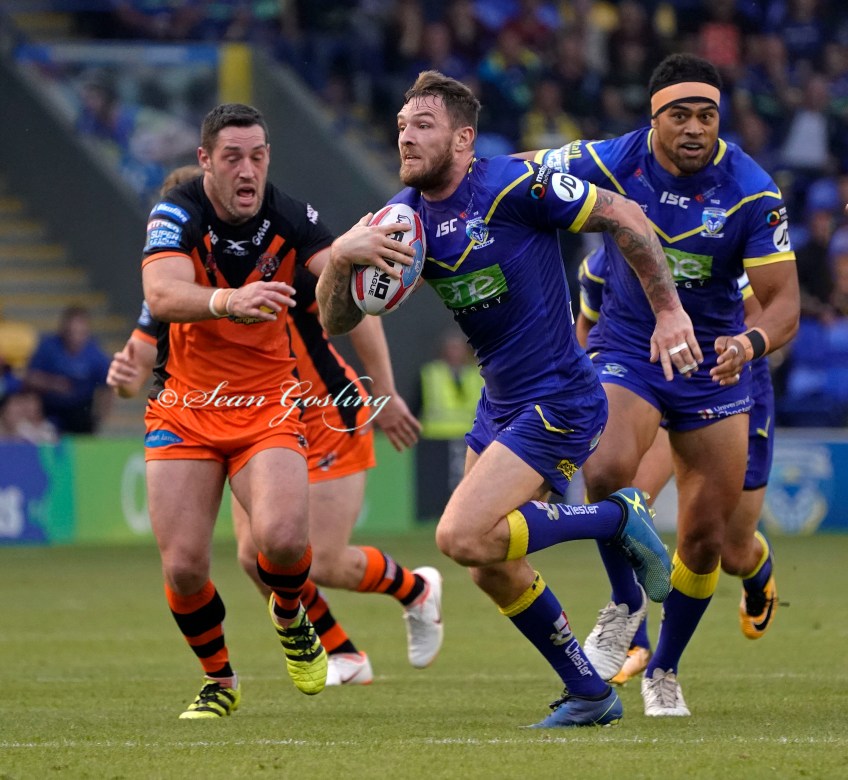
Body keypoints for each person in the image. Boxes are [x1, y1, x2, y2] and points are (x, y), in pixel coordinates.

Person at [316, 70, 699, 728]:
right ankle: (589, 694)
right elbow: (336, 320)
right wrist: (343, 259)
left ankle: (615, 518)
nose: (406, 137)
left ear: (464, 139)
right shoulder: (403, 220)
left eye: (424, 126)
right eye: (402, 126)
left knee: (459, 535)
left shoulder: (516, 186)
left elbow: (625, 215)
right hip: (501, 406)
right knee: (490, 564)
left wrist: (668, 311)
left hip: (561, 395)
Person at [138, 103, 437, 718]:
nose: (247, 170)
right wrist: (228, 300)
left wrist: (353, 259)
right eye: (232, 158)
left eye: (257, 156)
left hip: (271, 403)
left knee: (280, 543)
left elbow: (346, 303)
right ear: (205, 161)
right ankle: (220, 682)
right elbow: (160, 296)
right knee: (186, 567)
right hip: (187, 407)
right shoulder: (176, 213)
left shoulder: (294, 219)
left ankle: (296, 615)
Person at [525, 53, 799, 715]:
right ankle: (625, 607)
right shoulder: (613, 160)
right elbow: (522, 172)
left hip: (716, 362)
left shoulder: (751, 191)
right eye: (680, 115)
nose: (695, 128)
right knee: (608, 471)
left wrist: (749, 343)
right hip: (632, 349)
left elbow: (784, 301)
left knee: (710, 540)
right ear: (654, 119)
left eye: (707, 115)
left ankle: (664, 669)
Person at [110, 277, 441, 688]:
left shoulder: (278, 259)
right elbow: (136, 367)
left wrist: (386, 392)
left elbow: (360, 311)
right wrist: (123, 379)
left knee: (321, 560)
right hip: (251, 421)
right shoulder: (174, 282)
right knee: (255, 559)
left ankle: (416, 589)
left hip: (323, 416)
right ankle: (343, 653)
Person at [576, 248, 782, 685]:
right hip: (648, 378)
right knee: (627, 506)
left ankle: (756, 565)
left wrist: (737, 350)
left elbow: (761, 315)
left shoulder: (711, 249)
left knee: (730, 551)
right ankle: (637, 641)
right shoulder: (600, 266)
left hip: (721, 384)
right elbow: (585, 332)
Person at [24, 305, 112, 434]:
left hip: (81, 411)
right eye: (71, 332)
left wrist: (100, 416)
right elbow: (30, 378)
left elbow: (107, 386)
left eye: (80, 332)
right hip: (50, 408)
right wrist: (53, 384)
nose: (74, 338)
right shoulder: (48, 348)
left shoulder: (96, 355)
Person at [416, 330, 483, 440]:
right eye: (451, 348)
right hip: (436, 436)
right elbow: (417, 404)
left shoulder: (477, 375)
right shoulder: (431, 373)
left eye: (458, 348)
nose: (455, 353)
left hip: (470, 436)